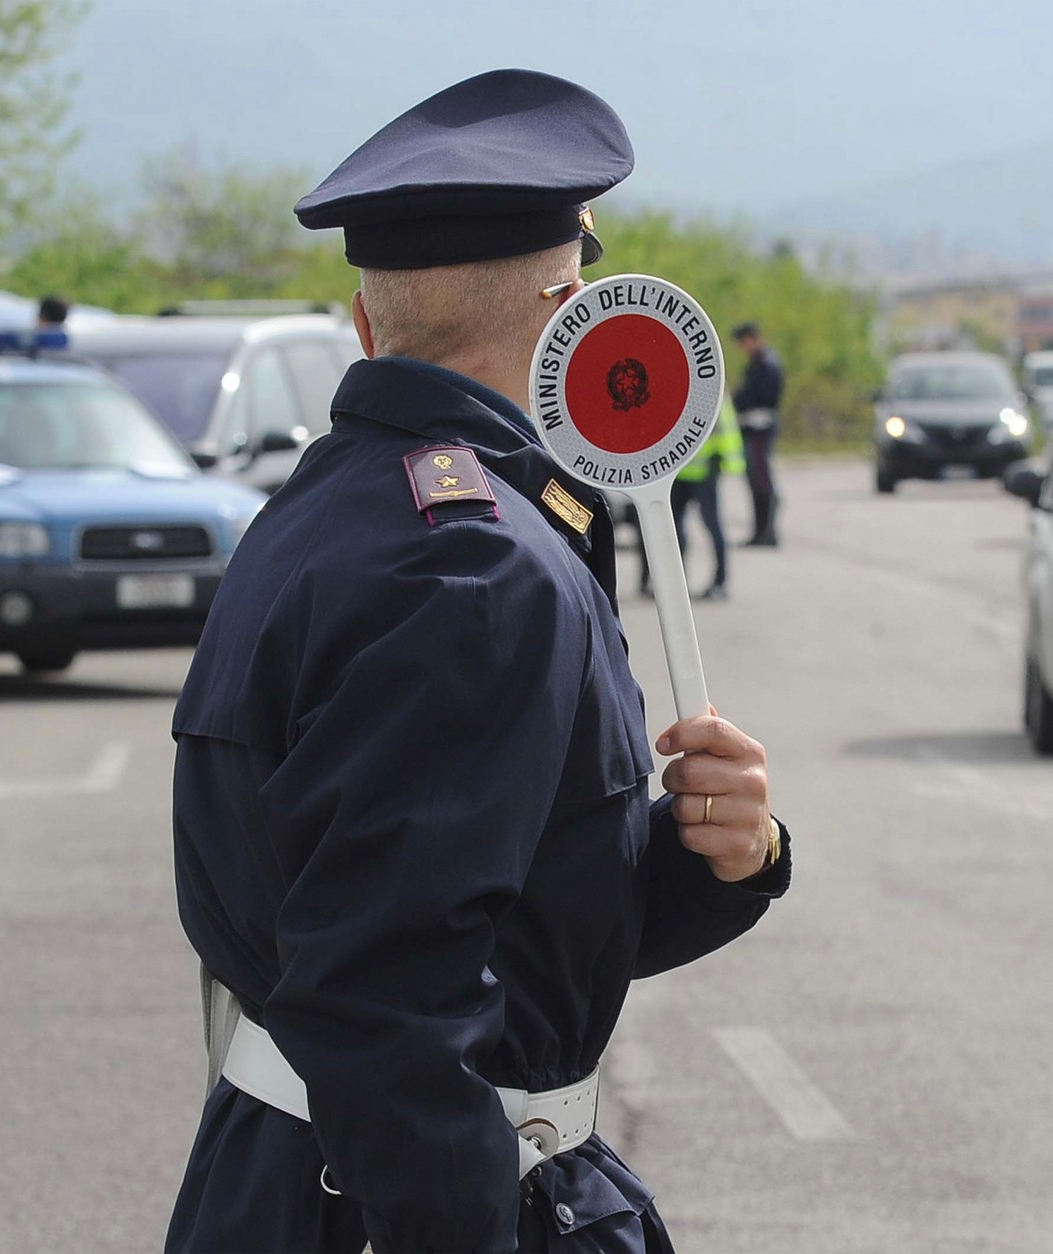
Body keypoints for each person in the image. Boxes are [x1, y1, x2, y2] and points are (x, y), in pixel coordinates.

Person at [165, 69, 791, 1254]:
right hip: (423, 1201)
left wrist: (718, 857)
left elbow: (478, 914)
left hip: (305, 1180)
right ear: (571, 312)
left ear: (366, 324)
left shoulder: (319, 516)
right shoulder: (477, 568)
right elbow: (386, 991)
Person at [638, 395, 741, 601]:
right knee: (673, 528)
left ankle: (720, 582)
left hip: (702, 468)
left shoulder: (709, 381)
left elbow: (723, 427)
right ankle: (676, 583)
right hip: (678, 470)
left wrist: (726, 461)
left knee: (711, 526)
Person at [731, 322, 784, 546]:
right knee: (756, 482)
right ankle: (760, 532)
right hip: (752, 428)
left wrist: (739, 399)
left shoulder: (766, 364)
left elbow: (761, 396)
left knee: (762, 482)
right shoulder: (758, 363)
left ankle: (767, 533)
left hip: (760, 428)